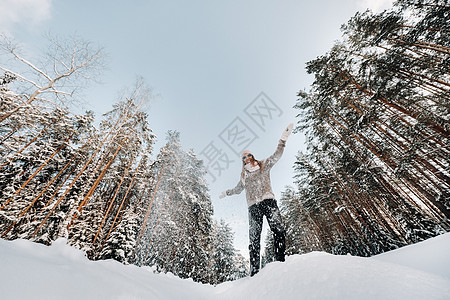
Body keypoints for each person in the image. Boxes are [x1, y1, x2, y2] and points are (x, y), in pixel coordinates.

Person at [219, 123, 293, 276]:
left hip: (268, 201)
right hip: (253, 207)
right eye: (243, 157)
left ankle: (280, 263)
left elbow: (277, 155)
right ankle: (254, 273)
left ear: (252, 156)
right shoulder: (244, 176)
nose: (246, 159)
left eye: (248, 155)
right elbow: (238, 189)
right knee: (254, 240)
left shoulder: (263, 165)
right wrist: (227, 192)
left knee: (278, 231)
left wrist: (283, 140)